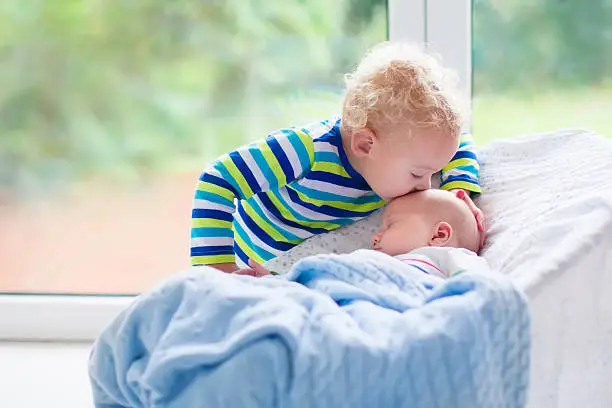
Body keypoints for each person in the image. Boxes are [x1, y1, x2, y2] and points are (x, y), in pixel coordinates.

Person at [190, 41, 485, 275]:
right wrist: (219, 271)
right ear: (366, 145)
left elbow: (457, 143)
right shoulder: (305, 151)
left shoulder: (402, 149)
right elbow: (217, 180)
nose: (426, 187)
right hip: (249, 258)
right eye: (418, 174)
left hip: (292, 269)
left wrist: (458, 192)